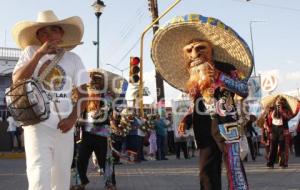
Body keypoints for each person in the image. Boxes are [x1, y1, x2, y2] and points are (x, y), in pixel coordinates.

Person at [151, 14, 253, 189]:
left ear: (211, 49)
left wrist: (222, 78)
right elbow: (196, 103)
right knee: (206, 170)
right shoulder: (193, 78)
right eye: (189, 50)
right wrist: (186, 119)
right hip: (203, 127)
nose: (194, 54)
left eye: (200, 48)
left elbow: (243, 90)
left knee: (233, 165)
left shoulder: (225, 68)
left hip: (226, 124)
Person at [11, 10, 89, 190]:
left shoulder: (73, 59)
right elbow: (17, 81)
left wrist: (72, 119)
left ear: (61, 34)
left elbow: (84, 94)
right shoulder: (30, 52)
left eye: (54, 30)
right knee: (38, 174)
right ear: (38, 37)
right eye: (43, 32)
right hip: (36, 124)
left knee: (61, 177)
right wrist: (38, 54)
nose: (49, 35)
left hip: (64, 127)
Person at [74, 71, 117, 190]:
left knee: (106, 160)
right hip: (86, 135)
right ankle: (81, 182)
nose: (93, 85)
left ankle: (109, 183)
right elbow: (77, 112)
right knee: (80, 159)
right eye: (91, 83)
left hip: (102, 135)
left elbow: (104, 112)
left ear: (101, 84)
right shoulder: (84, 97)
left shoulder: (107, 97)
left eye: (96, 83)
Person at [265, 97, 293, 168]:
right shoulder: (271, 110)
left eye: (280, 103)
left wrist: (282, 111)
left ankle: (282, 163)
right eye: (277, 102)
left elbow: (289, 117)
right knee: (273, 147)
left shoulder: (286, 110)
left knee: (282, 148)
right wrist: (268, 127)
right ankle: (270, 163)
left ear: (283, 103)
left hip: (283, 130)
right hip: (274, 129)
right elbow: (267, 120)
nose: (278, 104)